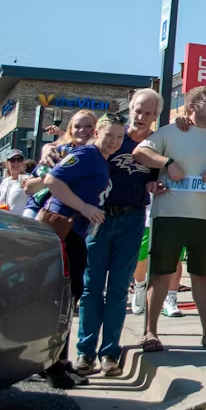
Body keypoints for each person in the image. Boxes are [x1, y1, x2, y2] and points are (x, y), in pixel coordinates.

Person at [132, 86, 206, 352]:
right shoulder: (171, 131)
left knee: (200, 274)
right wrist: (167, 163)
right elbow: (140, 153)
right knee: (161, 274)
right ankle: (151, 332)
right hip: (169, 214)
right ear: (192, 105)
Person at [75, 90, 161, 378]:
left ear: (155, 116)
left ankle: (110, 353)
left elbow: (157, 176)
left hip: (133, 218)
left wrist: (155, 185)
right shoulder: (113, 136)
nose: (141, 116)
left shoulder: (156, 143)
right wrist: (55, 146)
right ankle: (85, 352)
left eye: (148, 112)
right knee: (91, 288)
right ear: (130, 109)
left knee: (118, 289)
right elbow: (78, 145)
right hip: (99, 218)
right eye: (137, 110)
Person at [39, 113, 126, 389]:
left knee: (69, 296)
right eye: (109, 135)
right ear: (97, 133)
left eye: (119, 137)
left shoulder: (101, 158)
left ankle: (58, 360)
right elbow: (52, 180)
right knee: (61, 299)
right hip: (62, 230)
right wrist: (84, 207)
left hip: (76, 233)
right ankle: (52, 366)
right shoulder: (87, 154)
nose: (114, 141)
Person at [23, 110, 99, 218]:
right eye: (77, 126)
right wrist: (56, 176)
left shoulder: (100, 154)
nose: (82, 130)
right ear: (71, 130)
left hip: (77, 214)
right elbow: (28, 188)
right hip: (40, 207)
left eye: (88, 126)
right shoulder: (58, 151)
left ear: (97, 129)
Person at [0, 148, 30, 215]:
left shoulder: (28, 179)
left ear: (24, 162)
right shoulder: (5, 181)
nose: (16, 163)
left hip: (20, 220)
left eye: (19, 159)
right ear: (7, 164)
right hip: (4, 219)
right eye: (12, 160)